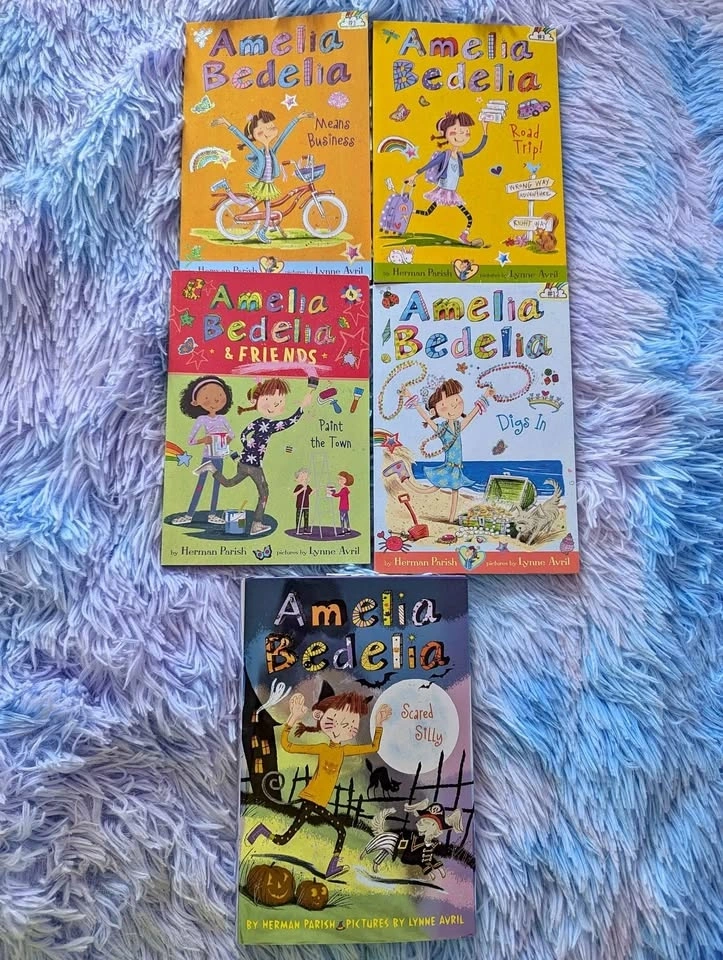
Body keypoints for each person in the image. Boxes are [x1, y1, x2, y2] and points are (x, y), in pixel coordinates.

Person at [246, 689, 392, 878]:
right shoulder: (322, 749)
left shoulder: (342, 751)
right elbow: (288, 746)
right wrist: (292, 718)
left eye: (350, 724)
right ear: (320, 716)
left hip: (317, 801)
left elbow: (373, 747)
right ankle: (331, 868)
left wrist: (379, 724)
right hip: (312, 800)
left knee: (285, 839)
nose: (343, 727)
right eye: (337, 721)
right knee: (340, 831)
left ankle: (261, 831)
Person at [197, 378, 313, 535]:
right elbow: (290, 421)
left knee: (229, 483)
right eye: (268, 401)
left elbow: (243, 434)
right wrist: (302, 407)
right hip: (254, 467)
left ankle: (212, 469)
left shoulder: (258, 422)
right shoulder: (270, 425)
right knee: (264, 493)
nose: (273, 406)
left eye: (278, 403)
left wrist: (247, 448)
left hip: (243, 463)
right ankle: (256, 524)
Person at [403, 379, 495, 523]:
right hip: (448, 468)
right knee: (428, 490)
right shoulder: (441, 430)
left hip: (457, 468)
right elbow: (426, 417)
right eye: (444, 406)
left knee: (455, 492)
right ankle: (403, 476)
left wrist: (485, 395)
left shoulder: (458, 427)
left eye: (456, 401)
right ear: (435, 411)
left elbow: (472, 415)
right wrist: (410, 397)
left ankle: (451, 519)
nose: (453, 407)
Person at [214, 110, 314, 243]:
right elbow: (243, 139)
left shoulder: (273, 151)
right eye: (261, 131)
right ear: (253, 135)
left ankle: (264, 228)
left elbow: (283, 136)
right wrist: (227, 124)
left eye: (270, 127)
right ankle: (262, 229)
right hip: (262, 184)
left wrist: (297, 119)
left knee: (259, 204)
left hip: (269, 183)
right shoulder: (258, 152)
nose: (267, 133)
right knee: (248, 203)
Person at [403, 111, 489, 247]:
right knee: (432, 213)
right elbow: (430, 164)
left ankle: (463, 235)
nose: (461, 136)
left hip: (451, 192)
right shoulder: (445, 155)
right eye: (456, 132)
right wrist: (415, 175)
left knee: (429, 212)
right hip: (443, 191)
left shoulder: (460, 156)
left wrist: (484, 130)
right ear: (446, 134)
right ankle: (406, 212)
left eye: (465, 132)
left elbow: (476, 150)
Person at [173, 376, 234, 525]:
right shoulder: (202, 419)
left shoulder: (223, 419)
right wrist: (203, 440)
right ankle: (189, 515)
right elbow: (190, 440)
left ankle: (213, 514)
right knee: (200, 485)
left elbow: (232, 434)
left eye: (219, 395)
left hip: (219, 456)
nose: (215, 401)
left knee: (216, 486)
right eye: (207, 398)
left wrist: (227, 439)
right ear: (195, 402)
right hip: (207, 457)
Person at [293, 468, 313, 532]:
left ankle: (306, 529)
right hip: (300, 505)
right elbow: (294, 494)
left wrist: (315, 490)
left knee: (306, 517)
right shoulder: (299, 486)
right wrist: (302, 489)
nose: (304, 480)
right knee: (299, 517)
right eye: (302, 478)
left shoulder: (307, 486)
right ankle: (298, 528)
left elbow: (310, 493)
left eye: (305, 478)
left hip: (306, 505)